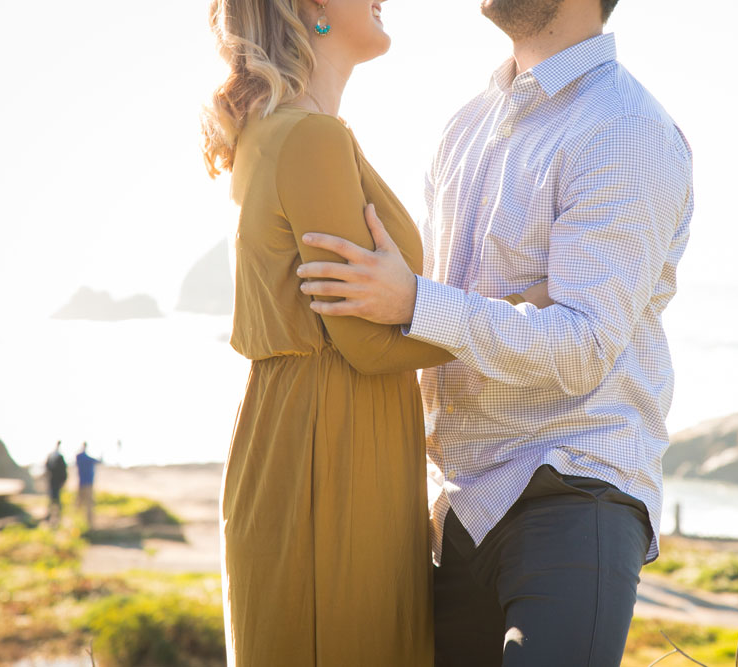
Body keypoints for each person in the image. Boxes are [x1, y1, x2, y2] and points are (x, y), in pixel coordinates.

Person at [296, 0, 695, 663]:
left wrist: (413, 299)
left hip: (572, 491)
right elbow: (447, 318)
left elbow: (583, 345)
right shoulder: (466, 125)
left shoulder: (625, 128)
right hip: (460, 509)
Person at [200, 1, 551, 664]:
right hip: (327, 452)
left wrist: (424, 305)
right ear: (310, 9)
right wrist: (517, 306)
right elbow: (364, 341)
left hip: (304, 437)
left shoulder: (280, 132)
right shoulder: (310, 138)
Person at [75, 442, 101, 527]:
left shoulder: (80, 457)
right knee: (88, 503)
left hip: (82, 482)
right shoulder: (86, 458)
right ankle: (88, 523)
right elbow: (98, 461)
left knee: (79, 502)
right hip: (88, 483)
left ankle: (77, 521)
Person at [44, 441, 67, 525]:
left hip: (56, 482)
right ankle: (51, 515)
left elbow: (63, 471)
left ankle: (57, 516)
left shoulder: (57, 457)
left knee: (56, 499)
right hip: (52, 481)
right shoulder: (53, 456)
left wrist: (63, 480)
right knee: (52, 499)